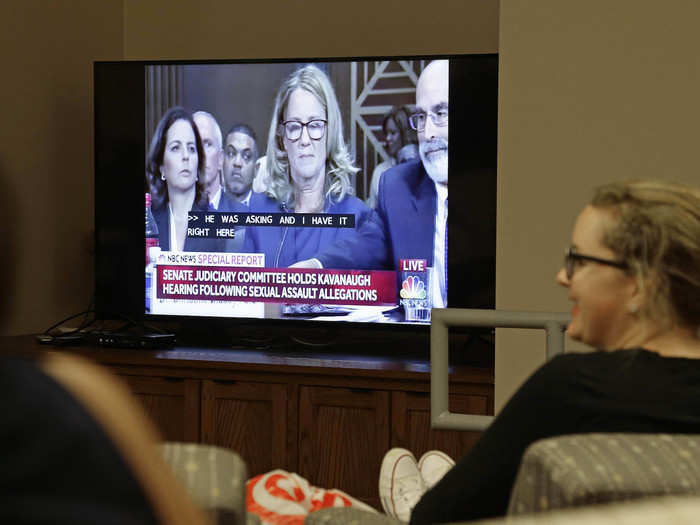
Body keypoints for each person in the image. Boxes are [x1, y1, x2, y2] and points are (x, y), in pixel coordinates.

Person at [377, 179, 700, 524]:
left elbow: (434, 519)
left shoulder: (571, 390)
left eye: (578, 260)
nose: (562, 276)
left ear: (641, 284)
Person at [295, 60, 450, 309]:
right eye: (421, 117)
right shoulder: (398, 185)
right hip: (419, 343)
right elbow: (366, 244)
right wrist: (315, 267)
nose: (428, 132)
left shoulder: (504, 187)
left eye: (440, 114)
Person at [243, 64, 371, 268]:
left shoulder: (358, 217)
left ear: (330, 131)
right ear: (282, 137)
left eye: (315, 125)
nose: (304, 139)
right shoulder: (258, 213)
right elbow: (245, 294)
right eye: (294, 127)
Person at [146, 106, 221, 252]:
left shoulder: (217, 225)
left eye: (192, 148)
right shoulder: (149, 223)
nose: (186, 156)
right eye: (176, 148)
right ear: (161, 166)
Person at [365, 105, 418, 209]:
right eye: (386, 133)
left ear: (405, 133)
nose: (388, 138)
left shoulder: (424, 170)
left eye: (393, 133)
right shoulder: (380, 172)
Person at [220, 123, 258, 209]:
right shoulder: (203, 209)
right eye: (230, 153)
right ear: (221, 160)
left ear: (256, 169)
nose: (237, 163)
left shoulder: (274, 211)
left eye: (246, 156)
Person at [193, 111, 225, 211]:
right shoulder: (170, 214)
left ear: (220, 158)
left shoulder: (244, 213)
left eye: (207, 144)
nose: (201, 154)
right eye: (194, 145)